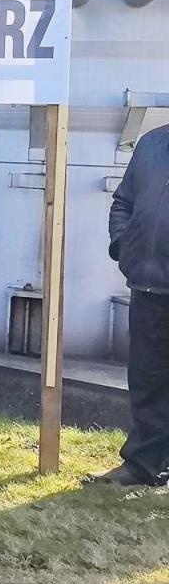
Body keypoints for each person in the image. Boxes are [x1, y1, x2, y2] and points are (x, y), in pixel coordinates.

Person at [94, 122, 169, 488]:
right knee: (147, 378)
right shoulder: (152, 143)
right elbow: (123, 201)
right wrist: (124, 246)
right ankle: (144, 465)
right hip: (149, 284)